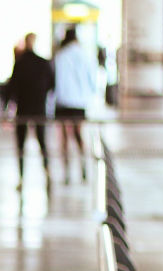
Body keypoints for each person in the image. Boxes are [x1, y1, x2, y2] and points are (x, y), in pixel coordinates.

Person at [5, 32, 54, 188]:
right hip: (39, 108)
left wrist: (7, 106)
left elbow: (12, 88)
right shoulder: (43, 63)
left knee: (21, 144)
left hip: (23, 109)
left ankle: (21, 177)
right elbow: (51, 85)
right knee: (42, 142)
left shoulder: (20, 63)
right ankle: (47, 172)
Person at [52, 26, 96, 183]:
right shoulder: (85, 55)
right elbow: (92, 80)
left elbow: (55, 81)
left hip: (62, 101)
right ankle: (83, 165)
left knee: (63, 138)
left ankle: (66, 170)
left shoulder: (60, 56)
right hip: (79, 102)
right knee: (79, 135)